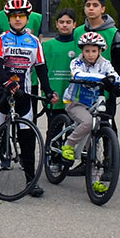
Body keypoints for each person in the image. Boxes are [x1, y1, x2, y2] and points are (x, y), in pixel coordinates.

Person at [0, 0, 53, 197]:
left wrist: (48, 90)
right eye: (14, 16)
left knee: (27, 137)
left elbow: (41, 68)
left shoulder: (34, 41)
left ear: (27, 18)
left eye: (21, 16)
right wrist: (6, 82)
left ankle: (30, 180)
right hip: (1, 91)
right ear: (8, 19)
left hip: (24, 92)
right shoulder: (1, 38)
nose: (18, 19)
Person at [60, 32, 120, 191]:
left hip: (93, 104)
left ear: (100, 51)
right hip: (75, 102)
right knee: (87, 122)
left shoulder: (105, 63)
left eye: (94, 51)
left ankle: (95, 181)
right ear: (82, 51)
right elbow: (79, 74)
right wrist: (102, 79)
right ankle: (69, 144)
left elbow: (114, 75)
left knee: (95, 144)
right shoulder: (77, 62)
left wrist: (117, 83)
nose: (90, 54)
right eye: (87, 51)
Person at [41, 9, 80, 159]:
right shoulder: (48, 46)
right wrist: (46, 91)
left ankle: (66, 158)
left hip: (72, 96)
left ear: (74, 24)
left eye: (68, 22)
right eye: (61, 22)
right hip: (54, 95)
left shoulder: (78, 46)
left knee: (71, 130)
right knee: (53, 128)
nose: (65, 25)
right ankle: (52, 157)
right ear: (56, 25)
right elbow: (42, 70)